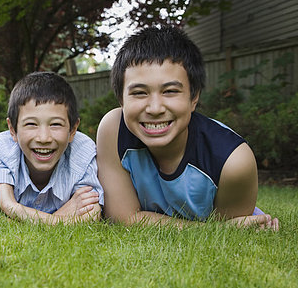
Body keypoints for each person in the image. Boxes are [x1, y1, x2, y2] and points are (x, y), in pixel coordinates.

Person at [96, 26, 279, 230]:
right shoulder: (113, 128)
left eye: (170, 91)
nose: (155, 108)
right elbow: (122, 218)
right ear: (121, 100)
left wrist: (223, 230)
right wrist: (213, 229)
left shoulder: (233, 161)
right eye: (139, 93)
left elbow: (230, 239)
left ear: (194, 97)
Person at [0, 72, 103, 224]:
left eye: (55, 124)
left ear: (73, 130)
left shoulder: (82, 150)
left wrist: (13, 207)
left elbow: (91, 216)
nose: (43, 138)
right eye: (31, 124)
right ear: (13, 130)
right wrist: (61, 220)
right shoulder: (0, 149)